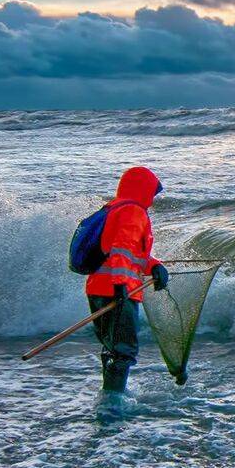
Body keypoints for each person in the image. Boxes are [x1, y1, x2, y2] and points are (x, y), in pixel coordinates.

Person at [85, 166, 169, 393]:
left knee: (111, 348)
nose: (153, 198)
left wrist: (155, 265)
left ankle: (109, 396)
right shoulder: (134, 211)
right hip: (118, 291)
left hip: (97, 288)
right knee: (123, 351)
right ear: (143, 189)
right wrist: (121, 285)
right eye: (152, 192)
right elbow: (122, 250)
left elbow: (130, 253)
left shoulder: (114, 208)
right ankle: (113, 404)